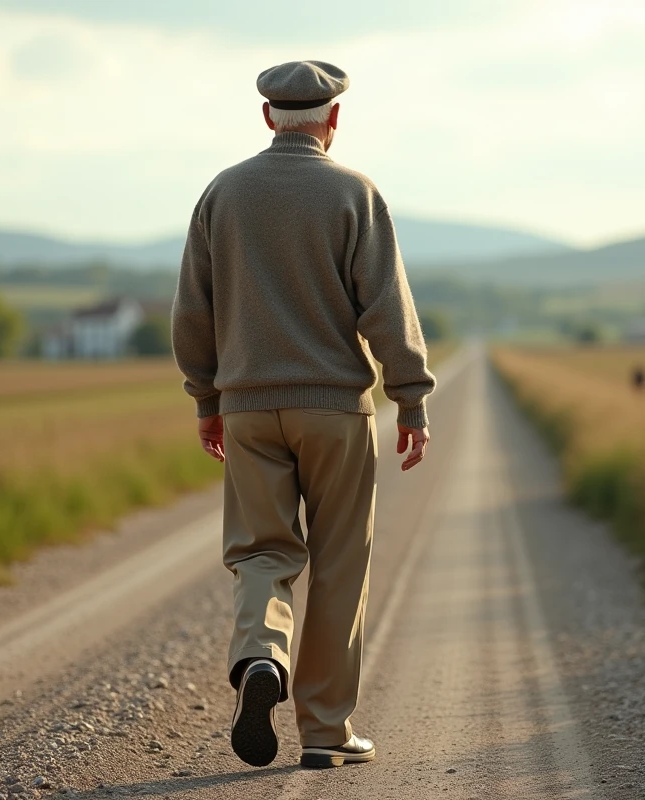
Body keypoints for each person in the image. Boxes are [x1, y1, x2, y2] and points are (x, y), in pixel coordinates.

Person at [171, 60, 435, 770]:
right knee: (341, 563)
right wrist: (410, 396)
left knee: (262, 552)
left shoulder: (221, 194)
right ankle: (324, 730)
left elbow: (193, 310)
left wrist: (207, 399)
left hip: (249, 409)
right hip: (337, 413)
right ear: (333, 119)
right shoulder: (356, 193)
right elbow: (386, 308)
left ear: (267, 118)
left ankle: (260, 656)